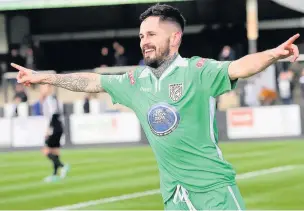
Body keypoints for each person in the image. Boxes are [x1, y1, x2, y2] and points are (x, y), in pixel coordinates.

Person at [11, 3, 299, 210]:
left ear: (174, 38)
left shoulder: (198, 72)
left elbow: (239, 67)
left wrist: (273, 54)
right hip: (173, 197)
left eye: (151, 35)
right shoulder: (135, 81)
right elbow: (91, 82)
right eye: (141, 36)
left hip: (213, 193)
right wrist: (43, 77)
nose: (143, 42)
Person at [39, 84, 69, 182]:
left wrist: (48, 129)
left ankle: (63, 166)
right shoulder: (54, 99)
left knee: (46, 151)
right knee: (55, 151)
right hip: (59, 126)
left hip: (54, 127)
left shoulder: (49, 99)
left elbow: (52, 115)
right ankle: (55, 174)